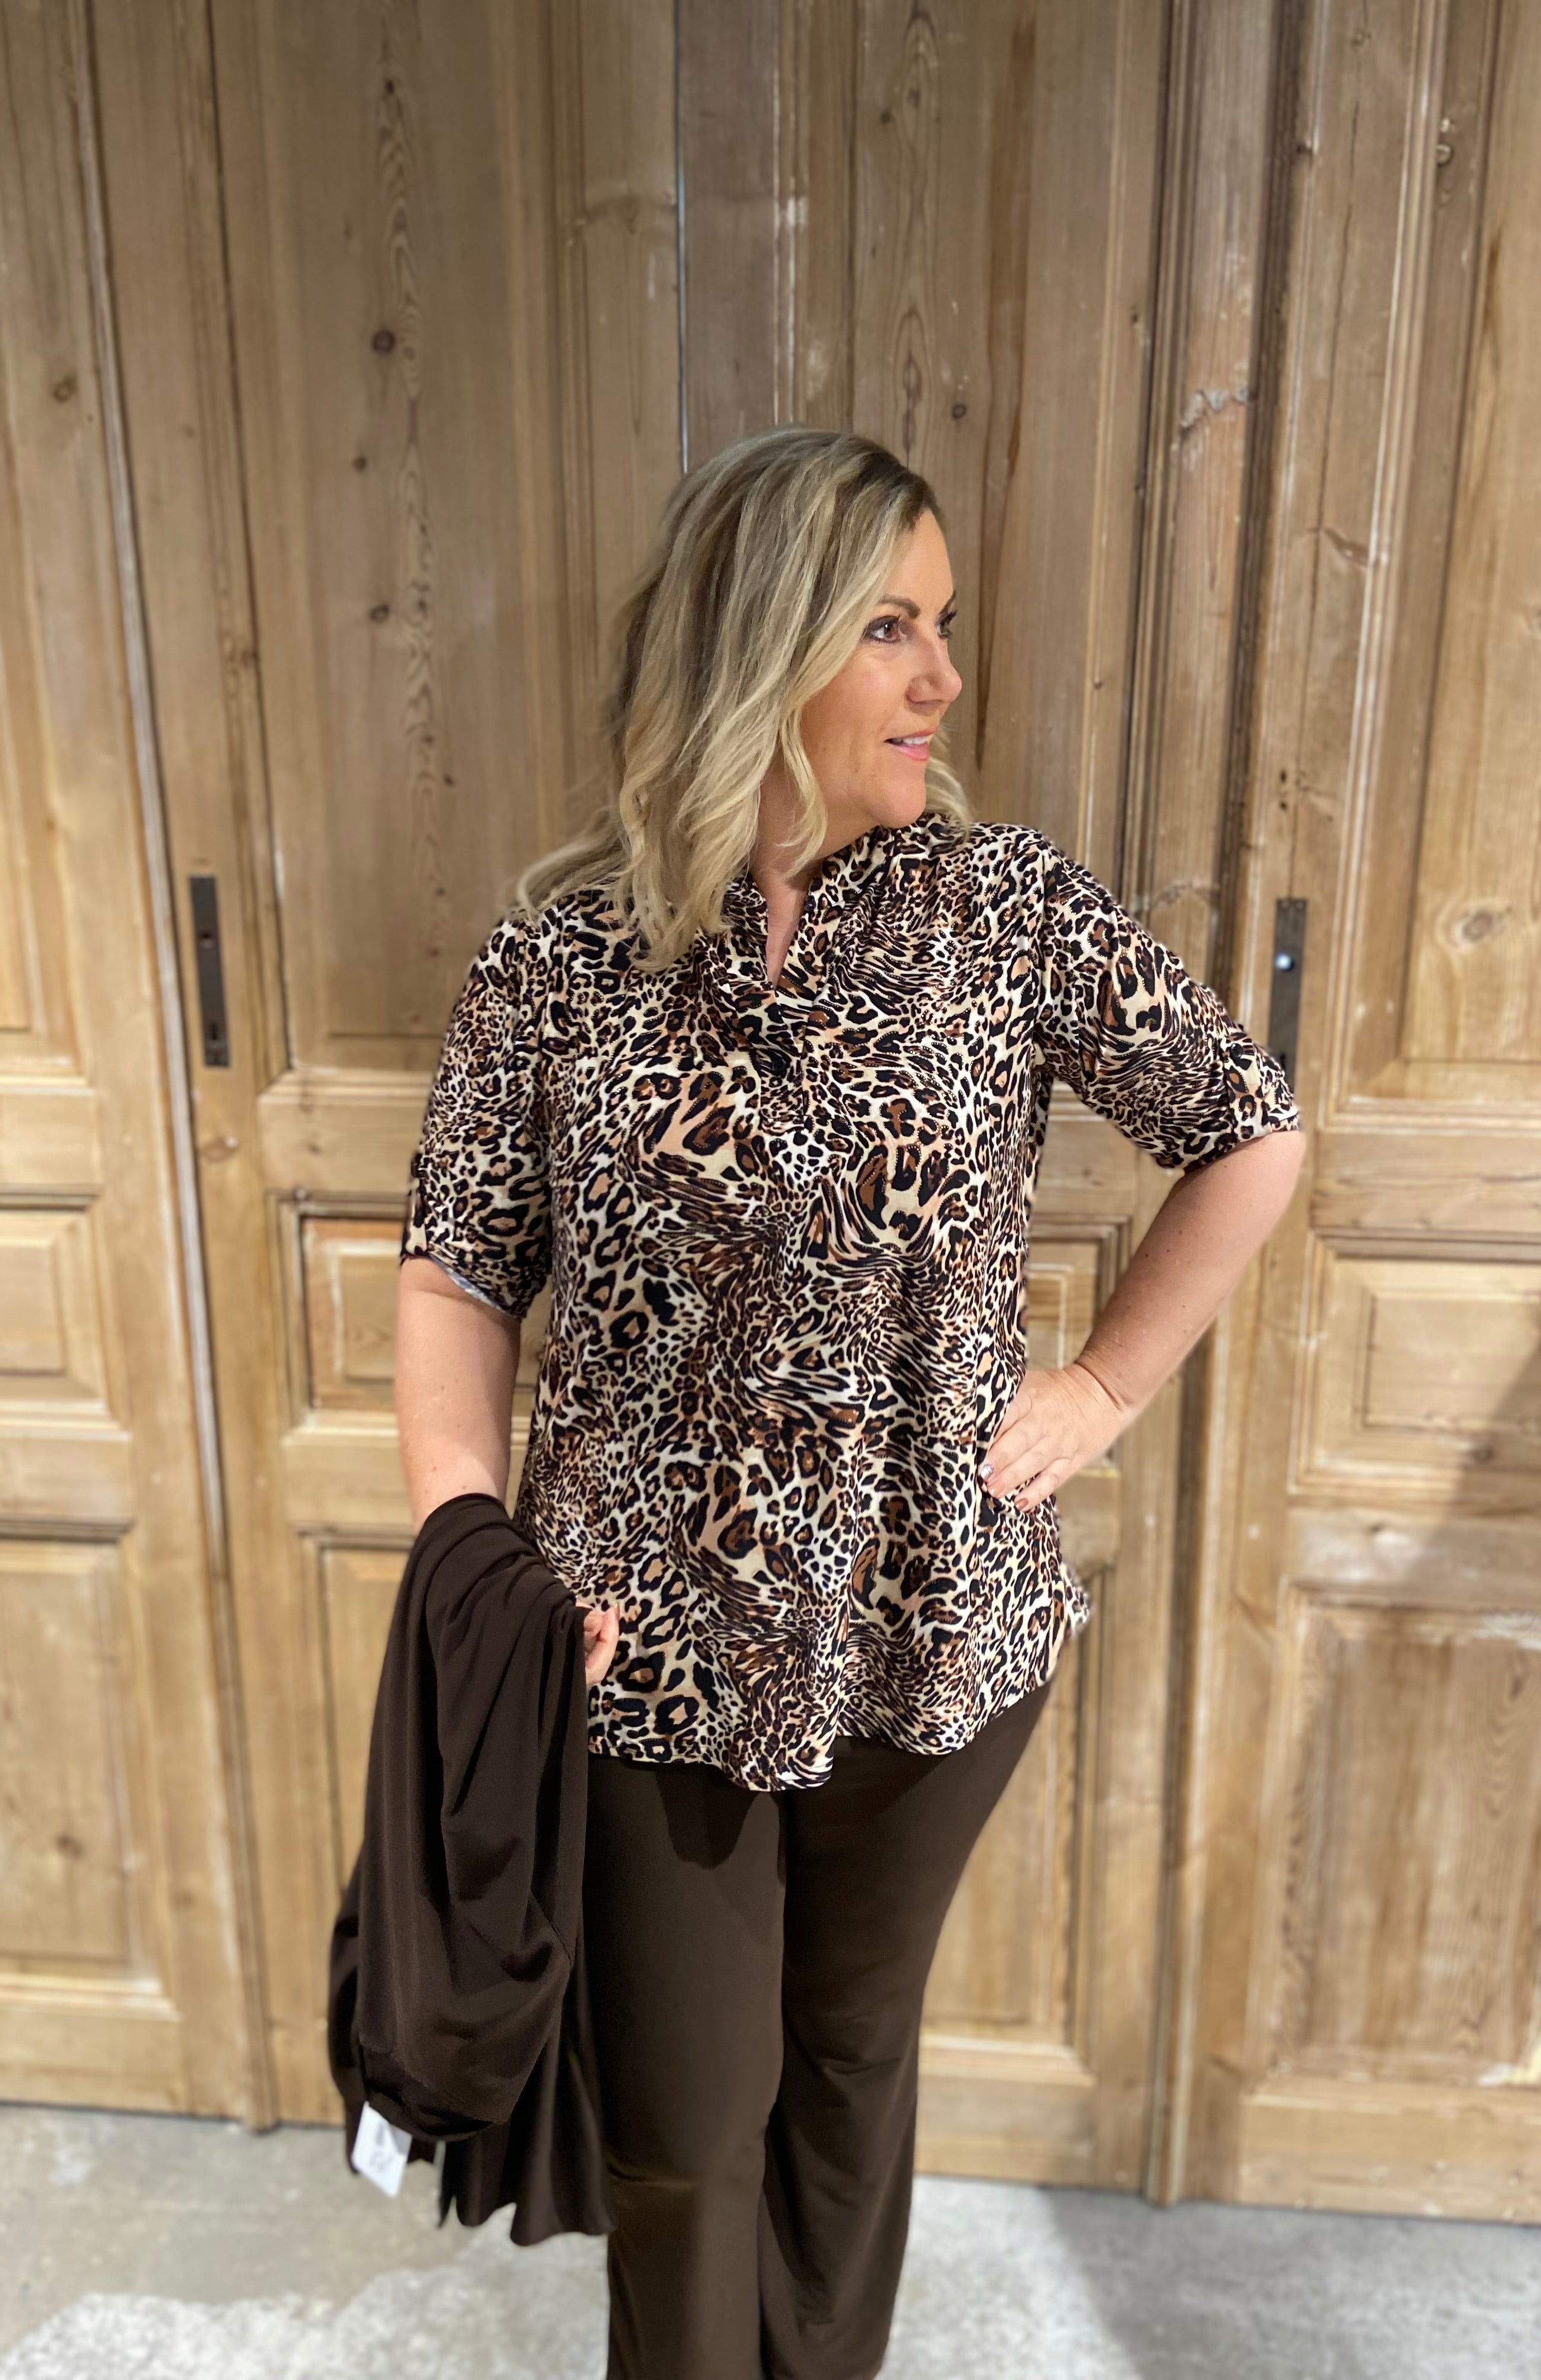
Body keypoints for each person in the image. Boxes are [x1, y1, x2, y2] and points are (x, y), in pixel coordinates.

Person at [393, 425, 1305, 2379]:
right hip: (642, 1634)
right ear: (761, 642)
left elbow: (1251, 1132)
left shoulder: (1004, 908)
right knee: (680, 2126)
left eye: (942, 625)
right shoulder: (561, 955)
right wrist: (472, 1552)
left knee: (848, 2063)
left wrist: (1101, 1385)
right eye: (891, 626)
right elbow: (460, 1265)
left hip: (931, 1616)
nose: (942, 678)